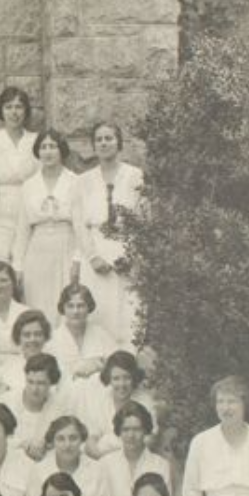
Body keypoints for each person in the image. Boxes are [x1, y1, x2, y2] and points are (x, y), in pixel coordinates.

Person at [78, 120, 145, 346]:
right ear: (93, 146)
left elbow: (144, 220)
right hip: (96, 252)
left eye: (109, 138)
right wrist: (93, 257)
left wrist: (131, 255)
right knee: (99, 313)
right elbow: (79, 224)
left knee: (128, 313)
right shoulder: (83, 181)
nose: (104, 143)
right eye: (99, 139)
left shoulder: (135, 176)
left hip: (127, 252)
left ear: (119, 143)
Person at [11, 129, 88, 310]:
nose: (48, 151)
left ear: (62, 150)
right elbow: (22, 229)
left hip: (66, 246)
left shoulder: (76, 182)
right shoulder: (29, 185)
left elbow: (82, 227)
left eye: (52, 146)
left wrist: (78, 259)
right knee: (38, 301)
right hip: (37, 250)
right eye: (43, 147)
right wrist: (18, 266)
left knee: (66, 301)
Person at [90, 401, 173, 496]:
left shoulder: (160, 465)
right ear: (119, 431)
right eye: (126, 429)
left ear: (145, 430)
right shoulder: (105, 464)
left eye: (137, 429)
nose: (131, 435)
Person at [21, 415, 103, 496]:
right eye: (60, 439)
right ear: (52, 442)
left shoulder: (97, 469)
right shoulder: (39, 470)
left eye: (73, 438)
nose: (67, 445)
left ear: (82, 440)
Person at [0, 86, 39, 227]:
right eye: (8, 107)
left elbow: (41, 178)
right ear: (1, 111)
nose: (14, 112)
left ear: (26, 111)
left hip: (30, 207)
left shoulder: (34, 141)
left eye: (19, 107)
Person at [76, 350, 156, 458]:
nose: (121, 384)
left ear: (134, 377)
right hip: (102, 458)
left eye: (127, 378)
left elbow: (150, 440)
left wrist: (117, 456)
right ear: (109, 379)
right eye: (116, 379)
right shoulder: (102, 399)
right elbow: (91, 439)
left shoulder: (144, 401)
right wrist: (101, 456)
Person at [46, 284, 117, 387]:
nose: (75, 311)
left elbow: (119, 362)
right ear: (63, 308)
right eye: (70, 306)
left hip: (99, 393)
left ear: (89, 307)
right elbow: (48, 375)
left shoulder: (100, 333)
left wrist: (97, 364)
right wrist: (76, 369)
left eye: (81, 305)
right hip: (65, 394)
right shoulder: (52, 339)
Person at [2, 351, 66, 462]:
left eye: (41, 383)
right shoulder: (7, 401)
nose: (34, 389)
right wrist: (24, 445)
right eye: (30, 382)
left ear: (51, 383)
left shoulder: (59, 406)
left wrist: (47, 444)